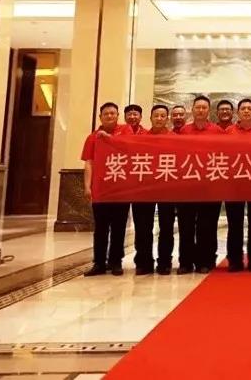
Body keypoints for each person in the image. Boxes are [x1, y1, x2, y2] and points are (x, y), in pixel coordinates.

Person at [176, 95, 226, 274]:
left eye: (204, 107)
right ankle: (185, 262)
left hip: (210, 187)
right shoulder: (184, 131)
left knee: (207, 226)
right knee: (186, 226)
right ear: (192, 109)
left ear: (209, 111)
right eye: (198, 107)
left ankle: (205, 261)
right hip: (187, 187)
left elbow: (224, 156)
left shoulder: (217, 131)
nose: (201, 110)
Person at [82, 102, 129, 277]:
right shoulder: (92, 138)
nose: (110, 116)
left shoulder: (126, 131)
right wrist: (87, 186)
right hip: (101, 190)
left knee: (119, 228)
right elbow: (89, 163)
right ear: (100, 117)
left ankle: (116, 262)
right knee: (101, 229)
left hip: (121, 189)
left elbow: (130, 149)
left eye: (113, 113)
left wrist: (108, 138)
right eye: (106, 113)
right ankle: (99, 263)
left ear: (117, 116)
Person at [131, 104, 178, 275]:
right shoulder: (140, 138)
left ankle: (164, 262)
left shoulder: (176, 139)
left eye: (162, 116)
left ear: (167, 119)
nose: (159, 119)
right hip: (143, 189)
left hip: (167, 189)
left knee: (166, 227)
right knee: (143, 227)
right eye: (156, 116)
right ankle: (144, 262)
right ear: (150, 118)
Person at [227, 98, 251, 272]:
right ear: (238, 112)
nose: (246, 111)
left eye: (249, 108)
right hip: (234, 184)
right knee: (235, 224)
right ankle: (235, 260)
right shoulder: (229, 132)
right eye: (243, 108)